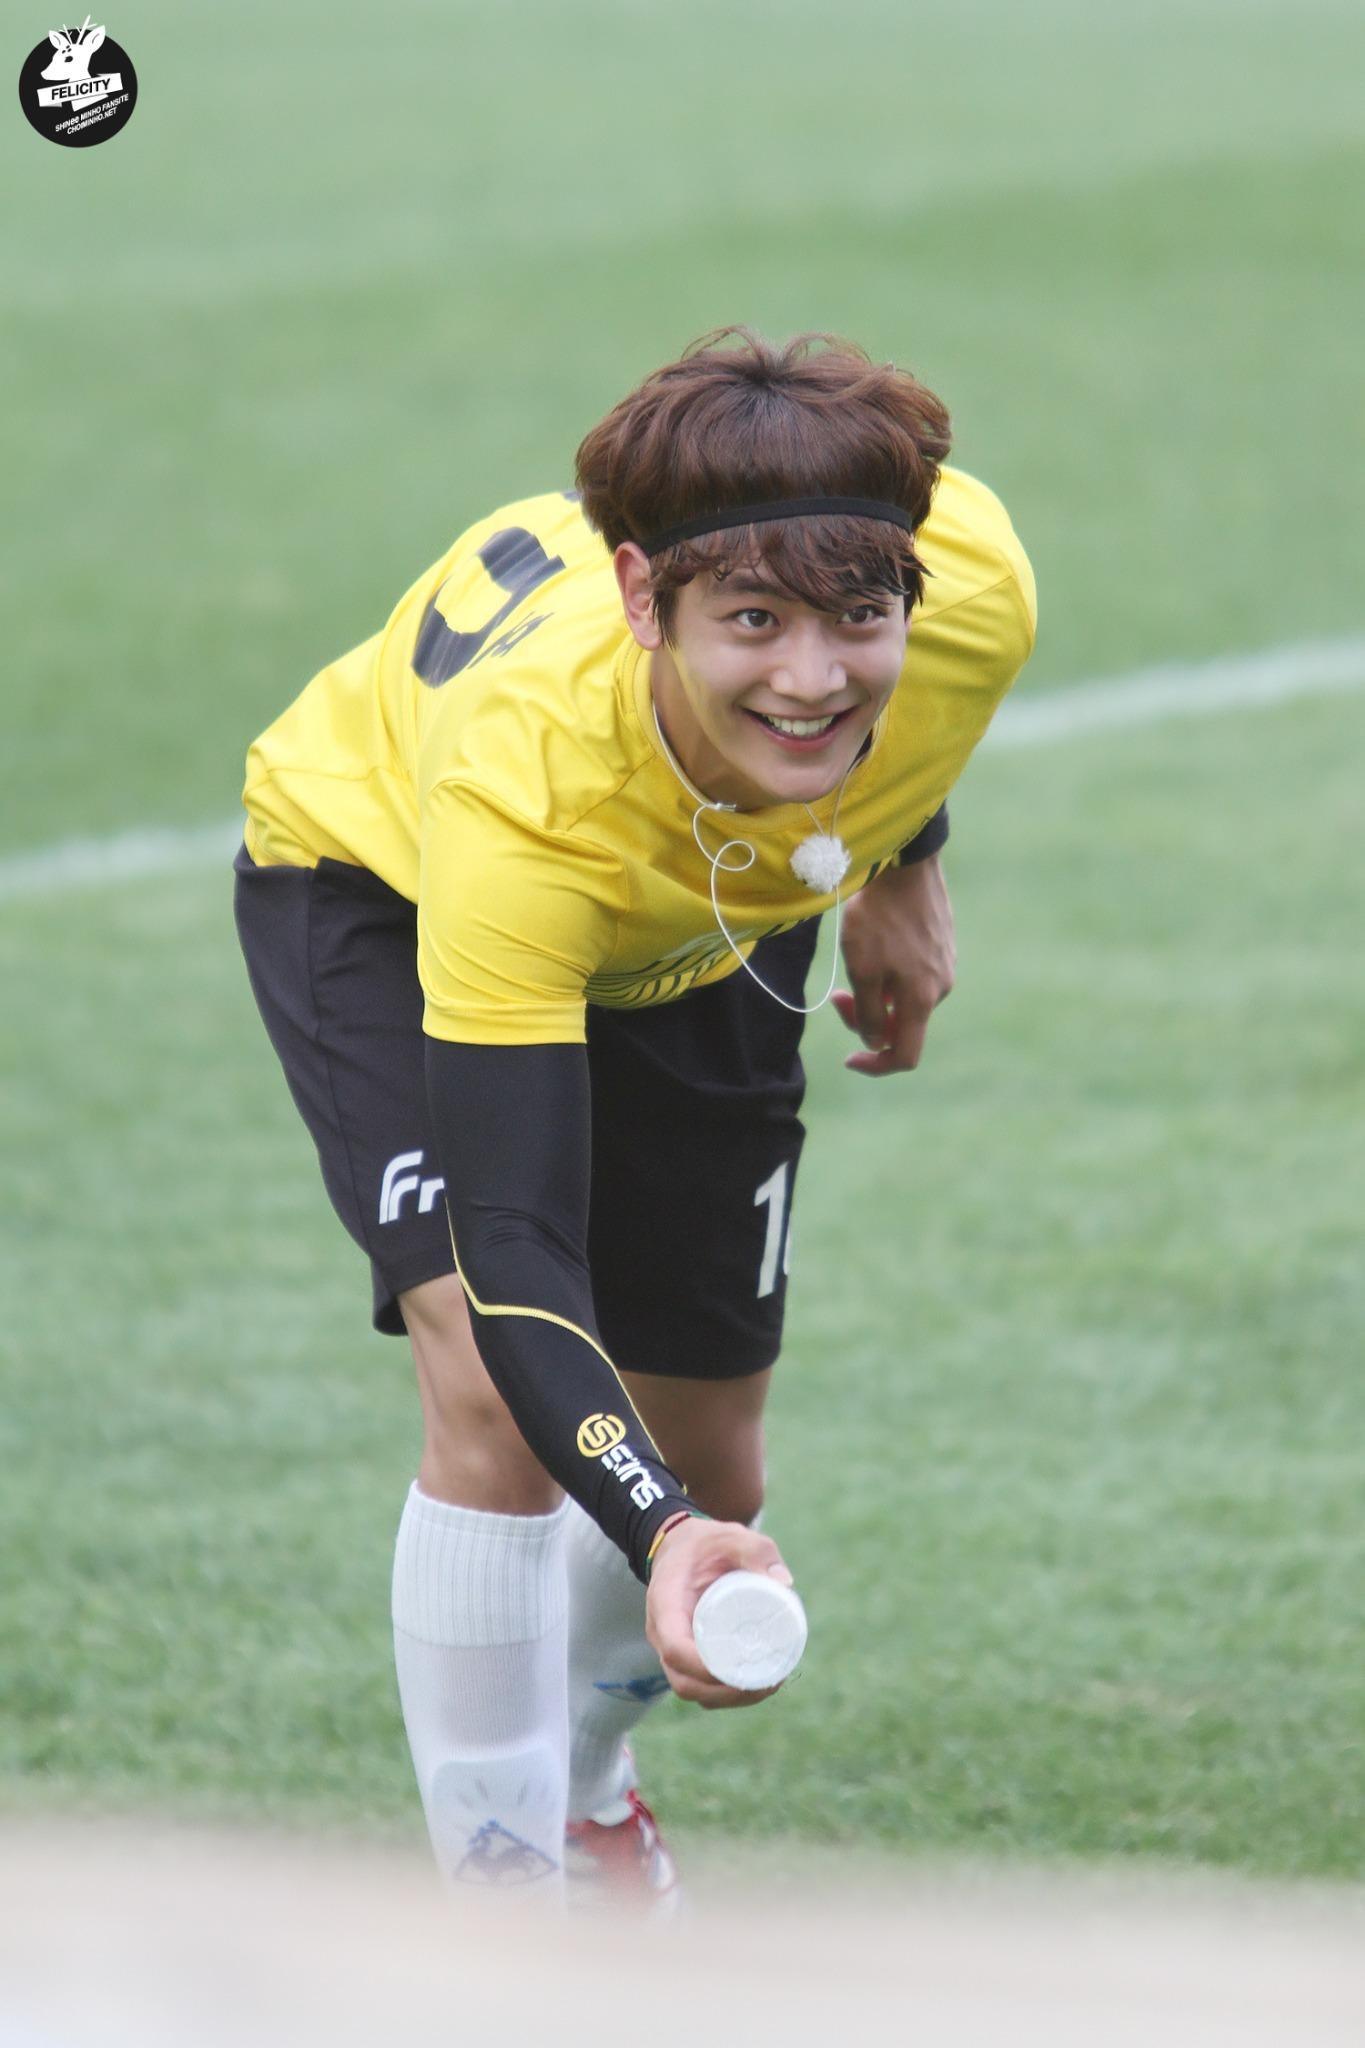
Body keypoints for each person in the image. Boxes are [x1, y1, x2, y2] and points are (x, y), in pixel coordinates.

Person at [233, 327, 1036, 1903]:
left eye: (857, 619)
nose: (811, 676)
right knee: (492, 1387)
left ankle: (592, 1790)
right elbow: (520, 1241)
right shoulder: (520, 795)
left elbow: (895, 706)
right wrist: (661, 1535)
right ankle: (503, 1909)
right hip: (395, 887)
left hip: (709, 900)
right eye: (751, 622)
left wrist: (902, 861)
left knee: (712, 1453)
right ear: (638, 597)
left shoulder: (976, 589)